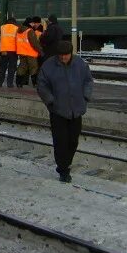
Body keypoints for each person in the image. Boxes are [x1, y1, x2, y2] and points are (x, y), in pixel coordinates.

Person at [37, 40, 94, 183]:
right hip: (58, 111)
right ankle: (63, 169)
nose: (63, 58)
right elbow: (42, 85)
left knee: (73, 140)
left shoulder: (80, 64)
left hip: (77, 110)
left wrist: (86, 96)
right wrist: (50, 101)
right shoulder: (48, 66)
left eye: (66, 55)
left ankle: (66, 163)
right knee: (60, 141)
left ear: (71, 53)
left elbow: (88, 80)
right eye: (61, 55)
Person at [14, 17, 41, 87]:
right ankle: (35, 83)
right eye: (32, 23)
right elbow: (34, 43)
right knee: (33, 67)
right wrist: (40, 51)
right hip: (30, 52)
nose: (33, 24)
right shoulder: (30, 31)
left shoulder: (19, 31)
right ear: (29, 23)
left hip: (22, 52)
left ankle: (18, 82)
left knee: (22, 67)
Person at [0, 15, 18, 88]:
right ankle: (10, 84)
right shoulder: (16, 28)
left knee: (2, 68)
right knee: (11, 68)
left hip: (4, 51)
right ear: (14, 22)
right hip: (13, 51)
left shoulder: (2, 28)